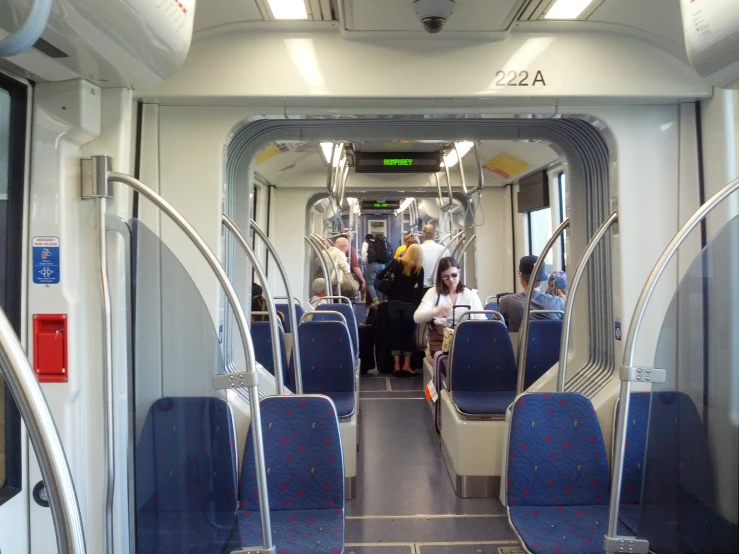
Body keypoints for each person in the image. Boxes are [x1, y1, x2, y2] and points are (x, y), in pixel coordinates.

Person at [414, 257, 485, 360]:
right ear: (440, 277)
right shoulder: (433, 293)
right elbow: (417, 317)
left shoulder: (470, 294)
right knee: (448, 362)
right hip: (440, 343)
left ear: (459, 272)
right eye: (445, 277)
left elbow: (481, 320)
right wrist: (436, 311)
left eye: (454, 275)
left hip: (466, 341)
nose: (451, 280)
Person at [378, 243, 425, 376]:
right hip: (409, 304)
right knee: (409, 335)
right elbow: (420, 290)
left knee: (395, 333)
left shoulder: (396, 263)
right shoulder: (419, 269)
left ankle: (396, 365)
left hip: (393, 302)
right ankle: (407, 365)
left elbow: (381, 276)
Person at [497, 255, 565, 332]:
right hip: (552, 344)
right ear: (542, 279)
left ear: (521, 276)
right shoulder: (559, 302)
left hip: (518, 344)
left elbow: (496, 331)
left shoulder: (507, 302)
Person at [419, 224, 448, 294]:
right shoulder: (443, 250)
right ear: (434, 235)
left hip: (421, 288)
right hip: (439, 287)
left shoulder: (417, 249)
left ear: (422, 235)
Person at [365, 232, 393, 305]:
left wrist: (364, 264)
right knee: (378, 283)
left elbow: (364, 254)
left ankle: (375, 300)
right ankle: (381, 302)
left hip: (373, 265)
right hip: (383, 265)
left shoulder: (369, 243)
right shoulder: (385, 244)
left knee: (369, 284)